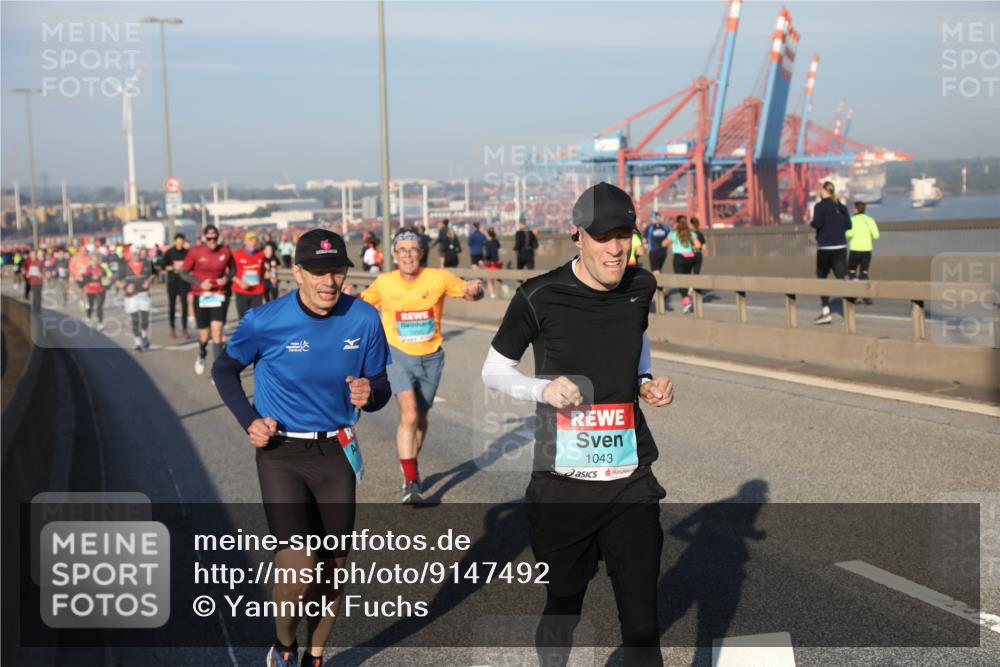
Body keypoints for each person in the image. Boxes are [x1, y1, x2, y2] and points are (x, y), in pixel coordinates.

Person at [481, 181, 674, 667]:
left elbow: (637, 337)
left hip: (629, 480)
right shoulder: (538, 295)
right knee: (565, 603)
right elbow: (493, 369)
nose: (615, 248)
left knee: (643, 626)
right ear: (577, 236)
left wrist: (645, 379)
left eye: (624, 235)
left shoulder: (640, 286)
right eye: (603, 236)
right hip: (562, 484)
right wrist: (540, 389)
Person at [211, 229, 391, 667]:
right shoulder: (264, 321)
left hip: (336, 452)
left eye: (337, 271)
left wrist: (372, 393)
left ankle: (314, 654)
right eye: (317, 272)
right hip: (282, 453)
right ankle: (284, 643)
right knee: (299, 564)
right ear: (297, 273)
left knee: (333, 569)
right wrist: (250, 421)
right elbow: (224, 370)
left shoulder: (365, 319)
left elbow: (381, 386)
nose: (328, 281)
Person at [360, 228, 484, 504]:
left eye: (412, 249)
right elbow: (361, 306)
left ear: (421, 253)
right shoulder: (384, 283)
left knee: (421, 419)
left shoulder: (438, 278)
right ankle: (411, 482)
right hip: (396, 354)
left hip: (431, 357)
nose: (407, 255)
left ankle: (410, 466)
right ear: (394, 254)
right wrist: (347, 298)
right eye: (401, 250)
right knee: (410, 413)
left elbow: (469, 292)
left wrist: (476, 289)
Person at [179, 225, 234, 375]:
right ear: (204, 238)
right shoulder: (195, 252)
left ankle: (217, 370)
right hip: (201, 296)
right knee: (204, 335)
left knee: (217, 330)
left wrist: (226, 278)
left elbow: (234, 269)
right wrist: (199, 283)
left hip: (218, 294)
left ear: (218, 237)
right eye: (209, 238)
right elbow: (183, 273)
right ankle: (202, 353)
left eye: (214, 238)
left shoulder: (225, 251)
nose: (212, 241)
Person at [810, 181, 852, 325]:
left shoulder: (819, 206)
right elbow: (849, 225)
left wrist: (812, 223)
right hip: (840, 247)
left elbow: (817, 223)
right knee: (843, 280)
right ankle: (849, 314)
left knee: (822, 279)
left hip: (825, 248)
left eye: (820, 189)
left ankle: (826, 313)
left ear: (823, 191)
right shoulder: (842, 207)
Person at [662, 216, 702, 314]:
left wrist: (673, 242)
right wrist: (690, 245)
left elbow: (664, 244)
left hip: (679, 258)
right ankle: (690, 288)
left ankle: (687, 303)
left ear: (677, 223)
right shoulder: (691, 233)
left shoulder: (673, 233)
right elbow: (698, 245)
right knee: (687, 278)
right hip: (690, 257)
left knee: (681, 281)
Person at [117, 246, 153, 352]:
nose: (136, 256)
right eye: (134, 254)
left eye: (137, 254)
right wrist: (125, 287)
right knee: (135, 319)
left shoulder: (146, 263)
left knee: (145, 319)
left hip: (144, 294)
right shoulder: (124, 266)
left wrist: (148, 282)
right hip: (131, 296)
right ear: (130, 255)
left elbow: (153, 275)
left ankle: (144, 335)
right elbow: (117, 281)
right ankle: (137, 342)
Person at [847, 201, 879, 305]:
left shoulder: (852, 220)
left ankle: (855, 296)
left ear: (856, 209)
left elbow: (848, 234)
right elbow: (876, 236)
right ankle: (867, 297)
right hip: (867, 251)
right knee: (864, 273)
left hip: (855, 250)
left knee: (852, 273)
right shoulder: (870, 220)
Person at [161, 233, 192, 339]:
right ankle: (172, 328)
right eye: (177, 242)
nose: (179, 244)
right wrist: (173, 267)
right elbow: (162, 266)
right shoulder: (169, 252)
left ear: (184, 242)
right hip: (172, 282)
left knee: (184, 305)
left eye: (181, 242)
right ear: (174, 242)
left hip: (183, 282)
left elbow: (192, 266)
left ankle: (184, 329)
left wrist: (184, 267)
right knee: (172, 305)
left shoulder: (187, 253)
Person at [233, 231, 267, 319]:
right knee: (244, 318)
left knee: (255, 318)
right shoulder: (237, 254)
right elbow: (229, 272)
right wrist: (240, 282)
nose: (253, 243)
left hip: (257, 291)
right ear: (245, 242)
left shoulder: (261, 255)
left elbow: (263, 270)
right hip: (241, 290)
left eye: (255, 240)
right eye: (250, 240)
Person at [81, 254, 112, 330]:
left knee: (99, 307)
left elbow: (109, 275)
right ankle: (88, 318)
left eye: (96, 260)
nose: (95, 261)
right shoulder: (87, 268)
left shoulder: (103, 268)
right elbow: (83, 279)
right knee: (90, 305)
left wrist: (106, 281)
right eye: (93, 260)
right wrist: (91, 278)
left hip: (100, 290)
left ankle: (100, 323)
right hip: (90, 290)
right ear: (90, 260)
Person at [483, 227, 502, 299]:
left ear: (488, 234)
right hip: (496, 262)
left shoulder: (486, 243)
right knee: (497, 279)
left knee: (490, 280)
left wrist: (484, 259)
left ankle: (492, 294)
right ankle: (497, 293)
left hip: (489, 263)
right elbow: (499, 246)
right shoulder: (496, 241)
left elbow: (487, 254)